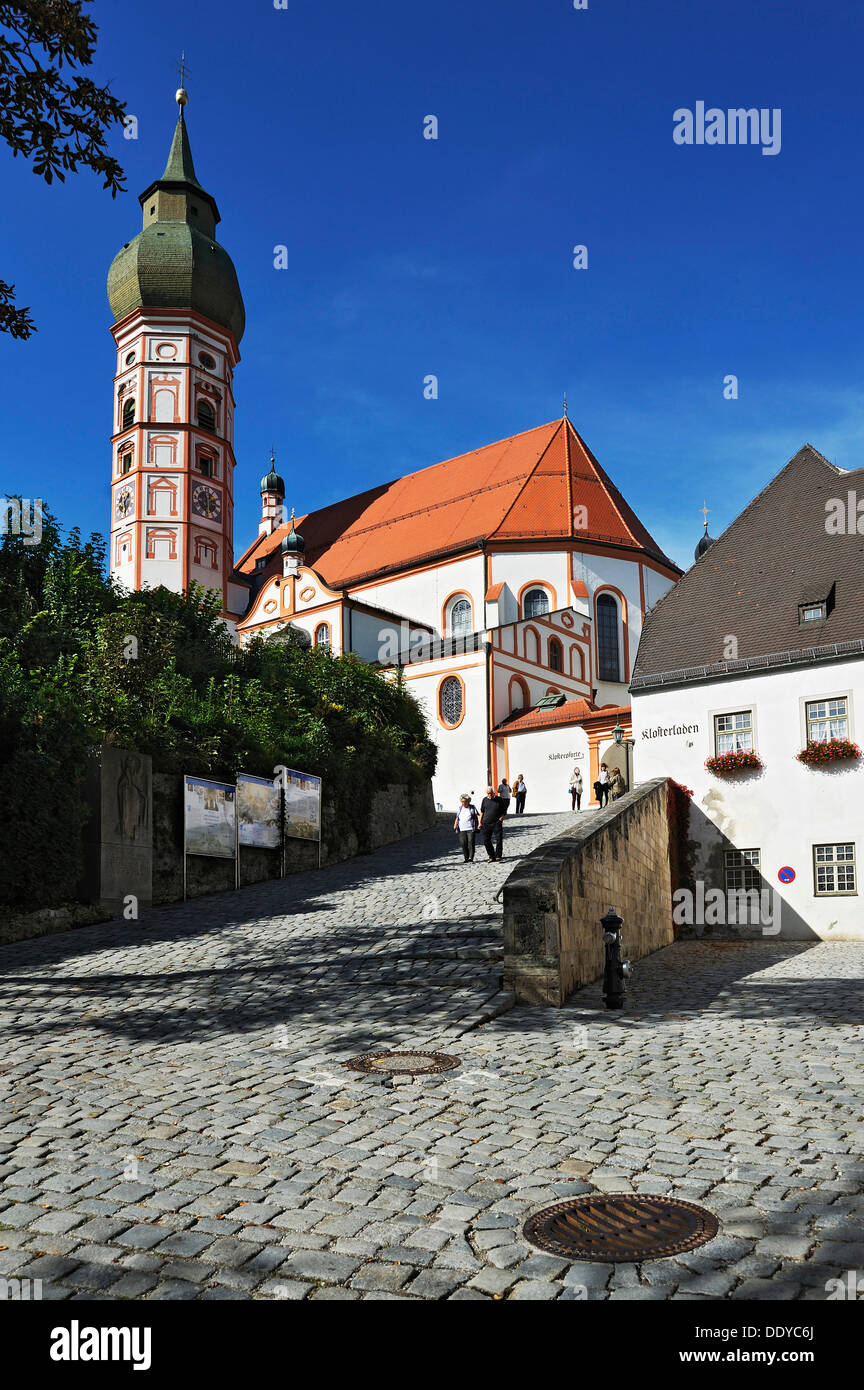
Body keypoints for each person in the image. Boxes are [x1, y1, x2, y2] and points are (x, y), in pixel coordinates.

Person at [479, 785, 506, 861]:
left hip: (496, 823)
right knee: (486, 840)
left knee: (499, 839)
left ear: (494, 792)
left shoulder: (499, 800)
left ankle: (498, 856)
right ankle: (491, 856)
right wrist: (479, 822)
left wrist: (501, 819)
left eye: (490, 793)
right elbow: (482, 811)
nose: (489, 795)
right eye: (488, 793)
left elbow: (504, 811)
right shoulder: (484, 800)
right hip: (486, 823)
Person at [453, 794, 479, 862]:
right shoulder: (460, 808)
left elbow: (478, 815)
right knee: (463, 843)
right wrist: (455, 823)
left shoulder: (472, 808)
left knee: (471, 842)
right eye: (462, 801)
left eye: (465, 801)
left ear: (468, 801)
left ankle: (471, 857)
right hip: (462, 828)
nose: (464, 803)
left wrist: (479, 824)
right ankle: (466, 857)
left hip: (470, 828)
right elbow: (457, 817)